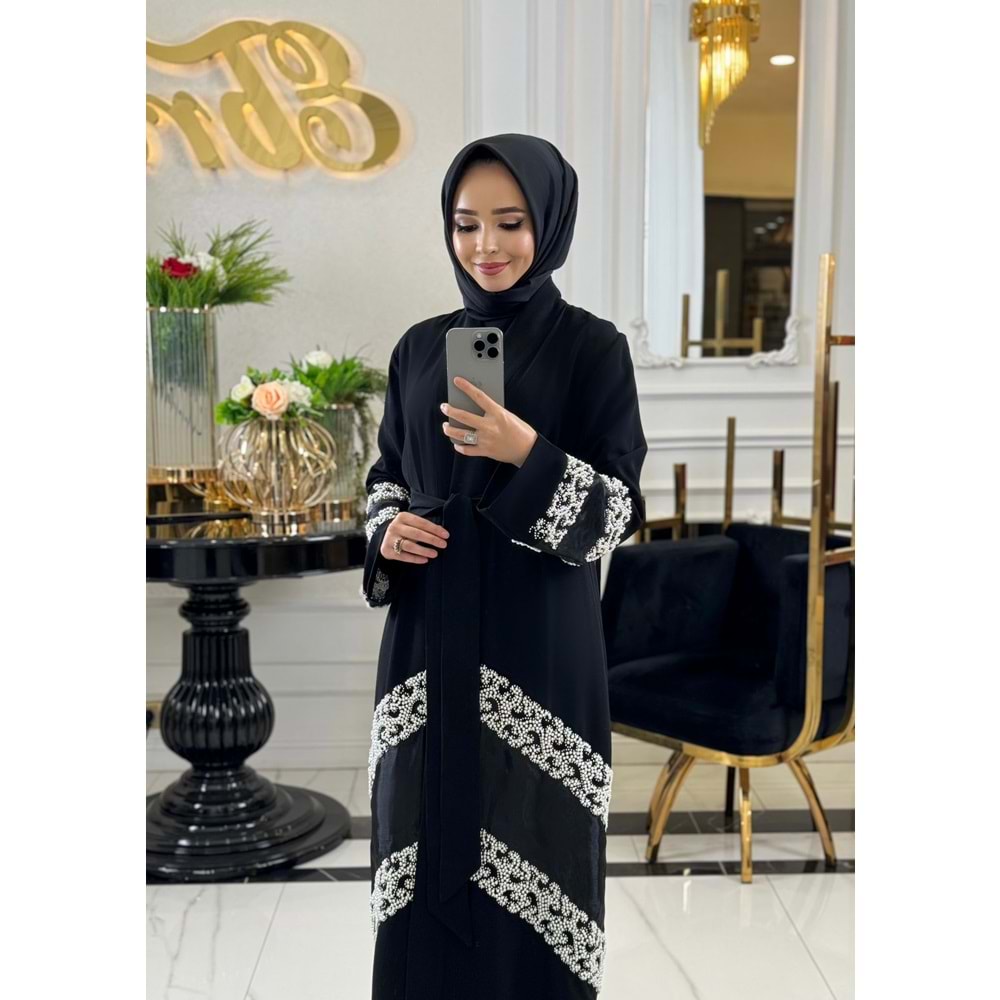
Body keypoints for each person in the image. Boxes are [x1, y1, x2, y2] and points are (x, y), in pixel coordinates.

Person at [361, 133, 648, 1000]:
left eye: (511, 222)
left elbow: (615, 515)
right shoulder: (419, 348)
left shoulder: (593, 348)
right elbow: (386, 476)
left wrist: (526, 450)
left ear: (549, 224)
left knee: (536, 848)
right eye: (466, 223)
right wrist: (388, 530)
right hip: (426, 638)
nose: (486, 245)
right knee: (419, 850)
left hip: (540, 645)